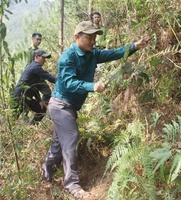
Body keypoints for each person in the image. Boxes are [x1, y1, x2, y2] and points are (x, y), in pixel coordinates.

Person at [41, 21, 150, 199]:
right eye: (89, 37)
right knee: (71, 136)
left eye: (94, 38)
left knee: (59, 143)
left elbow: (114, 53)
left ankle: (46, 174)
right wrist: (92, 86)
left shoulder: (93, 54)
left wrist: (134, 46)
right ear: (78, 37)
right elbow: (69, 82)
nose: (93, 41)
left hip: (70, 107)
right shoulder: (67, 57)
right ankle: (72, 185)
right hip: (60, 105)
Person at [10, 49, 56, 125]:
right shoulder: (35, 67)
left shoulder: (34, 67)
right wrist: (63, 82)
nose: (44, 60)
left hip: (25, 98)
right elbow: (49, 77)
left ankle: (32, 126)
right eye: (43, 58)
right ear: (36, 57)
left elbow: (34, 87)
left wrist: (39, 100)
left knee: (42, 109)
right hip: (18, 97)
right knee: (12, 119)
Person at [26, 32, 53, 106]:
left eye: (40, 40)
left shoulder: (38, 50)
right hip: (33, 76)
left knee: (47, 93)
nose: (39, 41)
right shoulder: (30, 51)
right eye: (37, 39)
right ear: (32, 39)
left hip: (38, 75)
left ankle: (42, 108)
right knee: (28, 96)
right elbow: (28, 65)